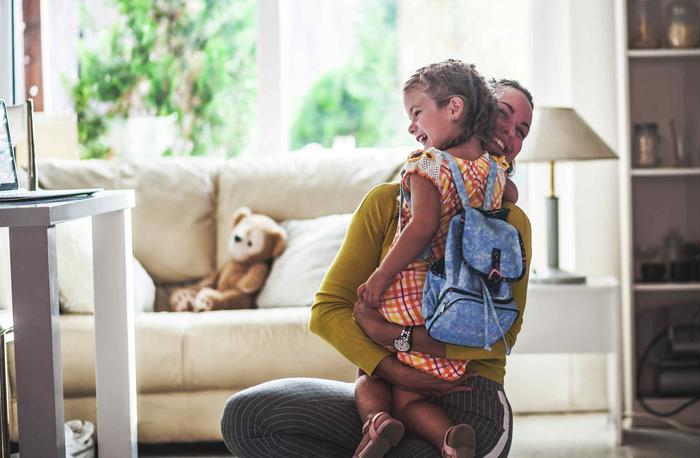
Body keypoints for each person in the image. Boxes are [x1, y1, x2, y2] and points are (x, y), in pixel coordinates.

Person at [220, 77, 534, 458]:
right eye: (502, 114)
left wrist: (390, 333)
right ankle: (378, 427)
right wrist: (393, 368)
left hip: (470, 397)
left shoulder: (508, 221)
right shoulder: (387, 202)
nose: (508, 132)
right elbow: (328, 310)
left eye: (521, 130)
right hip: (389, 389)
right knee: (247, 416)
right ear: (469, 111)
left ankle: (421, 438)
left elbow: (499, 333)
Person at [352, 60, 506, 458]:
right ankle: (450, 438)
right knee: (409, 393)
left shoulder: (428, 166)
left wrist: (380, 277)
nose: (411, 126)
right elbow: (512, 201)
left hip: (413, 298)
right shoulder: (492, 171)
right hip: (461, 305)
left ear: (453, 108)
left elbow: (420, 227)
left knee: (377, 376)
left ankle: (378, 423)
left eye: (417, 113)